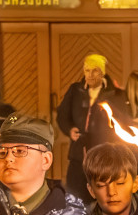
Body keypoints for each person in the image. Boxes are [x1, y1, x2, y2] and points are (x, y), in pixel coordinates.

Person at [56, 54, 131, 200]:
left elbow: (123, 121)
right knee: (75, 197)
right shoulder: (75, 90)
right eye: (87, 70)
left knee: (101, 197)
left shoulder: (115, 94)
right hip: (79, 154)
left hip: (103, 156)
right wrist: (69, 129)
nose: (90, 75)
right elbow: (62, 115)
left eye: (94, 71)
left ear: (102, 72)